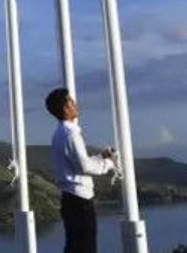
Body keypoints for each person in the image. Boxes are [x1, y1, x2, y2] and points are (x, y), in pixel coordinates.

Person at [46, 87, 117, 253]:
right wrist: (108, 164)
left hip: (72, 199)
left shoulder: (59, 133)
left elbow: (78, 163)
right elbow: (84, 166)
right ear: (65, 108)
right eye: (71, 101)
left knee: (75, 246)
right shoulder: (70, 135)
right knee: (84, 247)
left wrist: (100, 157)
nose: (75, 104)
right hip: (80, 201)